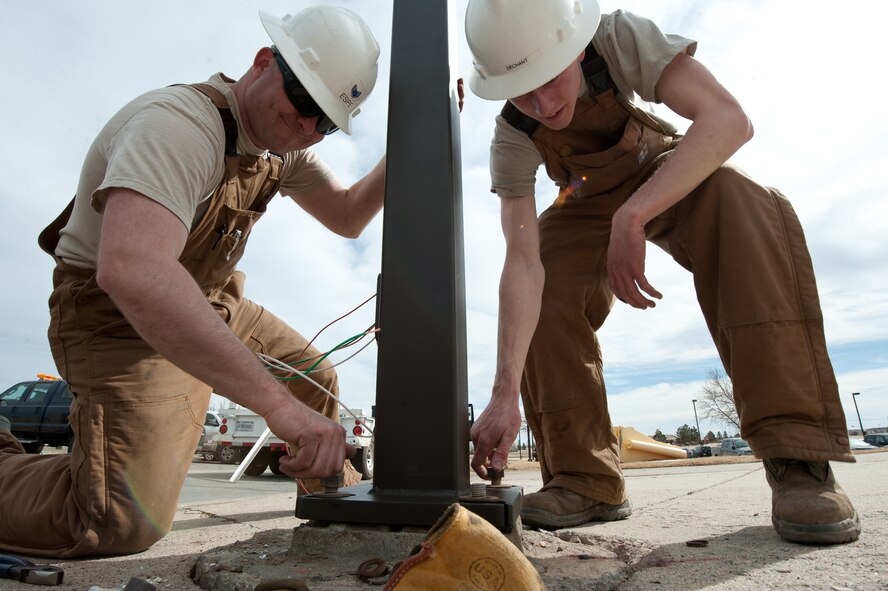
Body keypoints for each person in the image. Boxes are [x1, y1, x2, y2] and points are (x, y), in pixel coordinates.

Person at [464, 0, 860, 545]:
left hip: (661, 169)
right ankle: (585, 477)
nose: (541, 103)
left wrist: (634, 213)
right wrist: (504, 392)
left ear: (577, 48)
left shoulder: (619, 39)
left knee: (740, 199)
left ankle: (798, 458)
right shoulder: (512, 136)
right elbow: (521, 261)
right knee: (545, 285)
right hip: (578, 203)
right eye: (521, 89)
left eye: (550, 80)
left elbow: (727, 119)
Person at [0, 6, 384, 558]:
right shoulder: (178, 125)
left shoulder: (282, 148)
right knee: (113, 520)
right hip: (114, 316)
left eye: (325, 121)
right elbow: (133, 269)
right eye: (303, 100)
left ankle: (333, 522)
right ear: (262, 64)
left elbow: (347, 214)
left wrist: (416, 143)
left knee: (312, 378)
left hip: (205, 297)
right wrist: (276, 408)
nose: (306, 125)